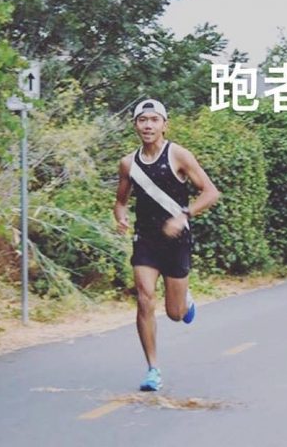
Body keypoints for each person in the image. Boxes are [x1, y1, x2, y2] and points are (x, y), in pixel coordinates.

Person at [113, 99, 220, 391]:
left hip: (176, 241)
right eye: (142, 120)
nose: (148, 125)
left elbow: (210, 192)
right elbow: (120, 202)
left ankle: (185, 302)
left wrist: (184, 215)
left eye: (154, 120)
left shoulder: (179, 155)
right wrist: (121, 218)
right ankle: (153, 369)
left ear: (164, 124)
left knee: (175, 314)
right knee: (144, 297)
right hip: (146, 240)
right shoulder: (128, 163)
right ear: (135, 125)